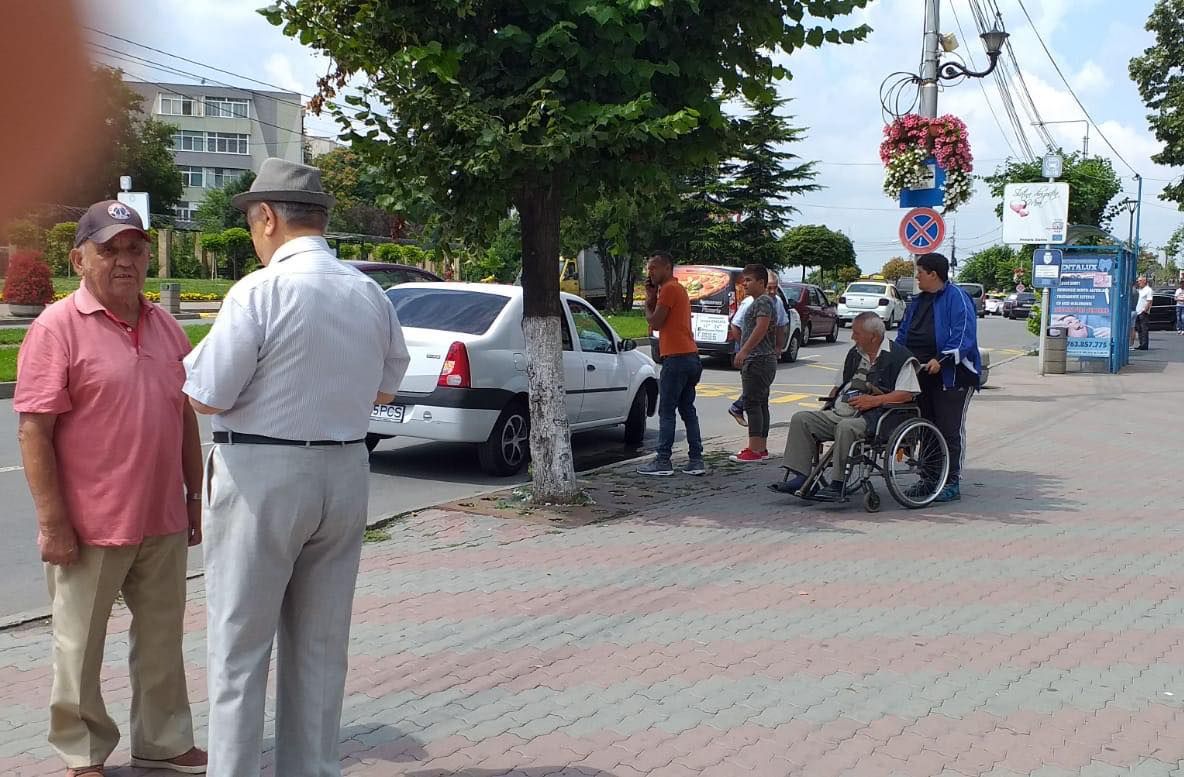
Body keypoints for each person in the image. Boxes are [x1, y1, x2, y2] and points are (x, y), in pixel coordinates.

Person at [182, 159, 411, 776]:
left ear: (266, 217)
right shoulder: (368, 293)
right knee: (319, 647)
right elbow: (388, 386)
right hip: (343, 471)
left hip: (261, 474)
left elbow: (206, 392)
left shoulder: (259, 291)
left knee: (239, 647)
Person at [14, 201, 207, 776]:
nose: (125, 260)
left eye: (134, 248)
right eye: (109, 249)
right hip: (89, 522)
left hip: (162, 517)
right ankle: (82, 750)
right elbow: (34, 429)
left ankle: (165, 742)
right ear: (79, 259)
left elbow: (184, 417)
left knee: (162, 642)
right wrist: (52, 522)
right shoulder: (56, 328)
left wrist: (193, 497)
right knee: (78, 646)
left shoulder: (167, 324)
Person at [770, 312, 920, 497]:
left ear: (873, 336)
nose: (852, 337)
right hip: (843, 411)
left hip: (878, 417)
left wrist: (874, 400)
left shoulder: (899, 357)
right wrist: (829, 405)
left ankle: (838, 483)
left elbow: (906, 394)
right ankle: (802, 477)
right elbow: (838, 386)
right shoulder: (855, 353)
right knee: (802, 419)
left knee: (846, 426)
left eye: (857, 333)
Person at [895, 252, 981, 502]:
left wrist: (941, 360)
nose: (917, 277)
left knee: (949, 429)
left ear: (933, 273)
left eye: (920, 272)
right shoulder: (918, 301)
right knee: (927, 428)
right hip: (920, 373)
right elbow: (903, 334)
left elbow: (964, 336)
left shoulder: (958, 298)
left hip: (953, 376)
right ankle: (929, 479)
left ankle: (951, 482)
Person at [638, 250, 705, 476]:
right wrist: (651, 296)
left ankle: (663, 460)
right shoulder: (677, 289)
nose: (651, 272)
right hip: (691, 356)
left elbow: (655, 322)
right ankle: (696, 459)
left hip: (675, 358)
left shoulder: (668, 289)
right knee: (687, 409)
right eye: (649, 268)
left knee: (667, 410)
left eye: (654, 268)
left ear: (667, 268)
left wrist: (647, 305)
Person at [728, 265, 780, 462]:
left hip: (758, 359)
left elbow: (761, 327)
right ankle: (761, 447)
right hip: (762, 358)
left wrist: (744, 350)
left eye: (749, 280)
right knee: (760, 402)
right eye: (744, 280)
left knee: (752, 403)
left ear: (761, 282)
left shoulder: (763, 302)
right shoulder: (759, 302)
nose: (745, 284)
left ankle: (754, 449)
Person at [727, 269, 789, 427]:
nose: (773, 291)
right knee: (755, 400)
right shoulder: (752, 302)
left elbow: (780, 326)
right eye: (770, 287)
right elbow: (736, 325)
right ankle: (756, 444)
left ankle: (758, 447)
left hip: (763, 357)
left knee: (759, 400)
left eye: (775, 288)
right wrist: (745, 348)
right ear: (762, 285)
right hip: (754, 357)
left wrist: (778, 348)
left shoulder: (773, 302)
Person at [1134, 276, 1154, 350]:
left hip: (1143, 312)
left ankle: (1144, 345)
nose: (1138, 283)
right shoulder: (1140, 290)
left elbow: (1149, 301)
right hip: (1137, 311)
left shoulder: (1148, 290)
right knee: (1139, 329)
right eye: (1138, 281)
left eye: (1139, 281)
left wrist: (1145, 310)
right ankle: (1141, 343)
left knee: (1144, 329)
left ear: (1144, 281)